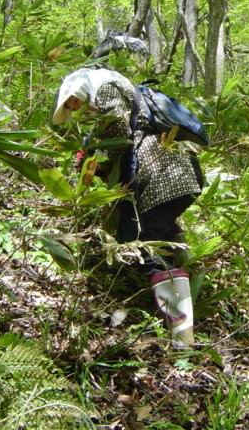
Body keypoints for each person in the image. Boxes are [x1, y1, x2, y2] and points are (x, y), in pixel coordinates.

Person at [52, 67, 203, 347]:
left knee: (147, 245)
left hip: (165, 177)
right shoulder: (113, 91)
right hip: (175, 174)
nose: (75, 107)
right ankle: (191, 301)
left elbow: (120, 133)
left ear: (78, 88)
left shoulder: (106, 86)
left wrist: (95, 153)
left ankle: (184, 337)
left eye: (72, 101)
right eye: (71, 106)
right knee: (161, 233)